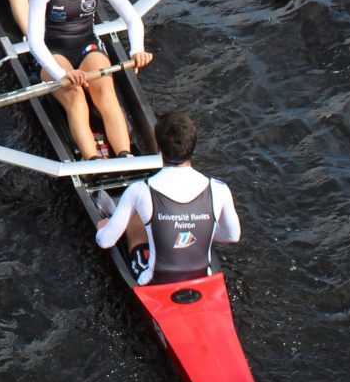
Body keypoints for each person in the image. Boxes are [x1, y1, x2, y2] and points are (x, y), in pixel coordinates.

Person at [25, 0, 154, 159]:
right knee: (75, 97)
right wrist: (60, 73)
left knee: (106, 91)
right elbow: (34, 42)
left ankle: (125, 156)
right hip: (54, 52)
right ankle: (92, 162)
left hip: (87, 45)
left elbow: (133, 19)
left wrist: (137, 50)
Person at [94, 110, 241, 284]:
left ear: (158, 149)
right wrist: (196, 226)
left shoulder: (139, 190)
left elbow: (105, 242)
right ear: (193, 148)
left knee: (134, 220)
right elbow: (233, 236)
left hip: (153, 281)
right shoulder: (219, 189)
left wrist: (103, 228)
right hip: (202, 278)